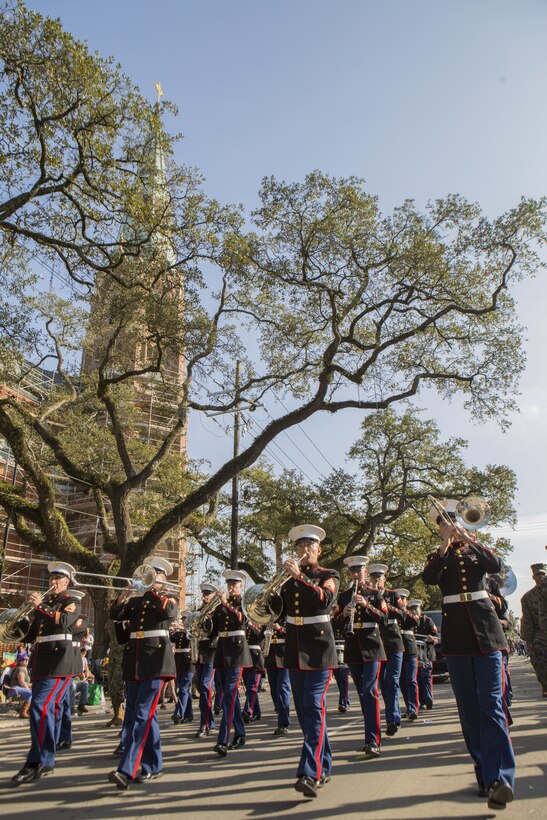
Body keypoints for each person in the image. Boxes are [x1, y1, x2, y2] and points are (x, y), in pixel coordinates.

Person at [422, 499, 515, 812]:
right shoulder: (437, 556)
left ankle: (501, 778)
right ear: (439, 530)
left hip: (488, 633)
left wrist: (470, 539)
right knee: (470, 711)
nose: (450, 525)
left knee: (492, 705)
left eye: (453, 521)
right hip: (457, 637)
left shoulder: (477, 550)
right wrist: (446, 545)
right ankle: (485, 775)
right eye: (444, 524)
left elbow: (496, 566)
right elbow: (429, 578)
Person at [8, 561, 82, 787]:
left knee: (40, 706)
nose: (52, 582)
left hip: (60, 663)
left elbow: (67, 623)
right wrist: (17, 625)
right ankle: (46, 758)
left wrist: (41, 607)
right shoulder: (47, 603)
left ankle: (37, 761)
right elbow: (32, 636)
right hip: (41, 663)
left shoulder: (72, 601)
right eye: (50, 579)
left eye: (56, 579)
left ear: (66, 581)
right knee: (45, 709)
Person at [108, 556, 178, 790]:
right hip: (135, 661)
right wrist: (123, 595)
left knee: (141, 714)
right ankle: (153, 765)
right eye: (148, 574)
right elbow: (116, 615)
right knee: (145, 715)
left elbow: (168, 613)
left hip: (156, 662)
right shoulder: (136, 602)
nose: (148, 579)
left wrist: (151, 590)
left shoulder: (168, 598)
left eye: (154, 575)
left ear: (163, 579)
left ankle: (126, 769)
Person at [280, 524, 339, 798]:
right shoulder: (287, 581)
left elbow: (324, 601)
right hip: (294, 648)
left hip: (318, 649)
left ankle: (309, 772)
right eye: (299, 546)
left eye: (309, 546)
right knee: (305, 712)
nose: (304, 550)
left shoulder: (329, 575)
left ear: (319, 549)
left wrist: (299, 578)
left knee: (314, 707)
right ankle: (324, 764)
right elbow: (277, 611)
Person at [332, 555, 387, 759]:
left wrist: (366, 605)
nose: (356, 574)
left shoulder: (375, 594)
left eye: (360, 571)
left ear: (365, 571)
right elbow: (333, 625)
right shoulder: (344, 596)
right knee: (363, 694)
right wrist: (344, 615)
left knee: (370, 691)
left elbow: (385, 618)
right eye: (353, 571)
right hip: (353, 646)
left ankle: (373, 740)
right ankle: (370, 730)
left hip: (372, 646)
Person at [211, 569, 252, 756]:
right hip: (222, 652)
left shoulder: (245, 602)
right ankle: (240, 733)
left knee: (229, 694)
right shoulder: (220, 607)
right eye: (229, 585)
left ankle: (222, 740)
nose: (231, 587)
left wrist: (225, 604)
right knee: (230, 695)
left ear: (241, 585)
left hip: (237, 652)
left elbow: (240, 620)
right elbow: (212, 631)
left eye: (234, 584)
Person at [371, 564, 404, 737]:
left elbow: (403, 614)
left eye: (379, 577)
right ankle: (389, 716)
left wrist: (383, 602)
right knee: (382, 683)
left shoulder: (393, 595)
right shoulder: (367, 595)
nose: (376, 580)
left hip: (393, 642)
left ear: (384, 579)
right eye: (373, 577)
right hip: (377, 643)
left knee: (392, 680)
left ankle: (393, 719)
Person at [192, 582, 220, 738]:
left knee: (205, 687)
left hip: (211, 653)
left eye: (207, 594)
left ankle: (208, 723)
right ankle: (205, 722)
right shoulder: (197, 612)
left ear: (213, 596)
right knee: (201, 688)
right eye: (203, 594)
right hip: (199, 653)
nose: (204, 597)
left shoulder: (216, 613)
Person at [520, 562, 547, 697]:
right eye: (538, 574)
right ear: (533, 577)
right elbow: (528, 622)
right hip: (540, 635)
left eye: (543, 574)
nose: (541, 577)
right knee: (540, 660)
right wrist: (529, 642)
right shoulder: (527, 597)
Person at [406, 600, 438, 709]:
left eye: (416, 609)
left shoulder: (427, 621)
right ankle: (422, 701)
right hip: (413, 654)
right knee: (417, 678)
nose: (414, 611)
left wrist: (432, 639)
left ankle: (428, 698)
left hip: (426, 654)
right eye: (412, 609)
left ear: (420, 610)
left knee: (426, 676)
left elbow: (436, 637)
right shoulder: (409, 621)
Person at [264, 619, 291, 736]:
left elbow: (294, 633)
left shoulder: (287, 615)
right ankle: (281, 711)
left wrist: (280, 628)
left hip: (284, 655)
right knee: (274, 690)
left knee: (282, 688)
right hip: (271, 657)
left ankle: (283, 723)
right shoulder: (267, 617)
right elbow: (261, 635)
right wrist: (262, 640)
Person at [397, 589, 421, 721]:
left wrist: (404, 610)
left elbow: (416, 622)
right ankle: (408, 707)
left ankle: (413, 709)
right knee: (402, 681)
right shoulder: (394, 613)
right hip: (398, 649)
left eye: (403, 599)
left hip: (410, 650)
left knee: (411, 680)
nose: (401, 601)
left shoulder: (409, 613)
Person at [170, 615, 195, 724]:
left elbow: (192, 635)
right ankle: (188, 715)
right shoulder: (178, 633)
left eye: (185, 621)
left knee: (183, 689)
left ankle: (178, 713)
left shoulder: (191, 631)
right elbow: (171, 639)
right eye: (183, 621)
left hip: (188, 662)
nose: (184, 622)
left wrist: (182, 628)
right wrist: (170, 629)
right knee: (184, 689)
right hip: (178, 662)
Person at [242, 620, 265, 722]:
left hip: (256, 659)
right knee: (249, 689)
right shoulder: (244, 625)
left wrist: (252, 625)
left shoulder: (258, 624)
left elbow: (260, 636)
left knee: (252, 687)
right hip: (245, 659)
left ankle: (248, 711)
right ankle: (257, 712)